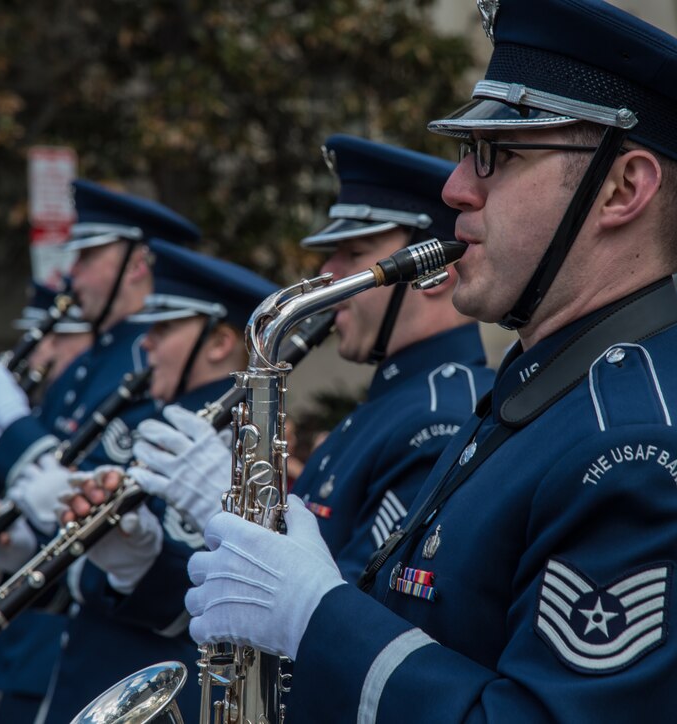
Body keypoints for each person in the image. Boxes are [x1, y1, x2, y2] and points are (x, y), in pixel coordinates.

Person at [178, 0, 677, 721]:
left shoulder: (644, 453)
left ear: (624, 188)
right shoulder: (547, 393)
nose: (455, 189)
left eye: (496, 155)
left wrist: (321, 618)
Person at [135, 133, 494, 585]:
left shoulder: (440, 419)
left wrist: (236, 520)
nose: (328, 273)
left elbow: (356, 610)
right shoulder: (393, 404)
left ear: (435, 273)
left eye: (355, 254)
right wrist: (136, 564)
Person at [0, 179, 201, 724]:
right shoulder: (92, 362)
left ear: (137, 263)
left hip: (130, 642)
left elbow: (98, 491)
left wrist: (15, 430)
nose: (70, 273)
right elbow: (45, 496)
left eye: (88, 255)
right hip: (73, 635)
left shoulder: (148, 361)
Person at [35, 240, 279, 723]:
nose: (145, 342)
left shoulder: (229, 442)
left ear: (218, 343)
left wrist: (134, 566)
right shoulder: (168, 422)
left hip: (163, 686)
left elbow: (210, 605)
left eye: (164, 328)